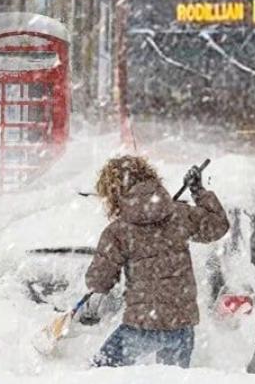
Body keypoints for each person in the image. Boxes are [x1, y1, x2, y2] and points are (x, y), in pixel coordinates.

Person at [85, 156, 230, 368]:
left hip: (142, 324)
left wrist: (102, 282)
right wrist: (198, 191)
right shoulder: (179, 214)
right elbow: (218, 226)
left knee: (98, 375)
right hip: (181, 325)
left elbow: (98, 280)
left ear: (114, 193)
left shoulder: (118, 231)